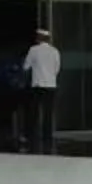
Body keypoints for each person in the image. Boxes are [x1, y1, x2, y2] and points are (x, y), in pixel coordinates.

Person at [21, 26, 62, 154]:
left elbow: (26, 66)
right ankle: (47, 139)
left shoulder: (34, 50)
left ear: (39, 38)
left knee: (34, 112)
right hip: (51, 86)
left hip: (38, 85)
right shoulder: (55, 51)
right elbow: (57, 69)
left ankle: (32, 137)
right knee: (48, 114)